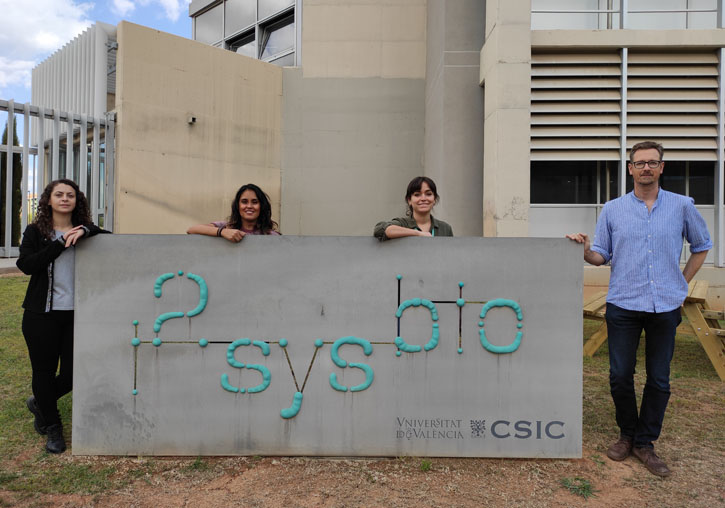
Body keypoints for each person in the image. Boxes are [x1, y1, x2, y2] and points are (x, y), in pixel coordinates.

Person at [567, 141, 711, 477]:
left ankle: (646, 443)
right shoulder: (613, 209)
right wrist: (586, 250)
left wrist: (681, 282)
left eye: (652, 162)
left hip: (664, 305)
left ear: (662, 167)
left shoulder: (682, 206)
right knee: (619, 375)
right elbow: (602, 255)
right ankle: (627, 434)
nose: (645, 168)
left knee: (659, 378)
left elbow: (702, 246)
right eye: (639, 163)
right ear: (630, 168)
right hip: (624, 303)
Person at [16, 179, 107, 454]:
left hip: (77, 315)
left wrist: (85, 230)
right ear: (49, 200)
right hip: (41, 315)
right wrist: (60, 245)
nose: (65, 199)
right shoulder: (35, 231)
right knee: (43, 372)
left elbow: (111, 238)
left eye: (70, 195)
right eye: (59, 194)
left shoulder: (87, 233)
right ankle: (53, 428)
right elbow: (26, 265)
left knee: (72, 375)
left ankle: (40, 402)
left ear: (77, 201)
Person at [187, 183, 280, 240]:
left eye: (255, 202)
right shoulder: (226, 226)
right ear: (237, 206)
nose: (249, 206)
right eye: (244, 202)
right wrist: (222, 232)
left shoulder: (270, 236)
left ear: (262, 206)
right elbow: (191, 230)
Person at [374, 176, 453, 240]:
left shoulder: (445, 228)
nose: (423, 198)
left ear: (434, 199)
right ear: (409, 200)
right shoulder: (403, 224)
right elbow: (380, 230)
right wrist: (417, 234)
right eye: (417, 194)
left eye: (428, 194)